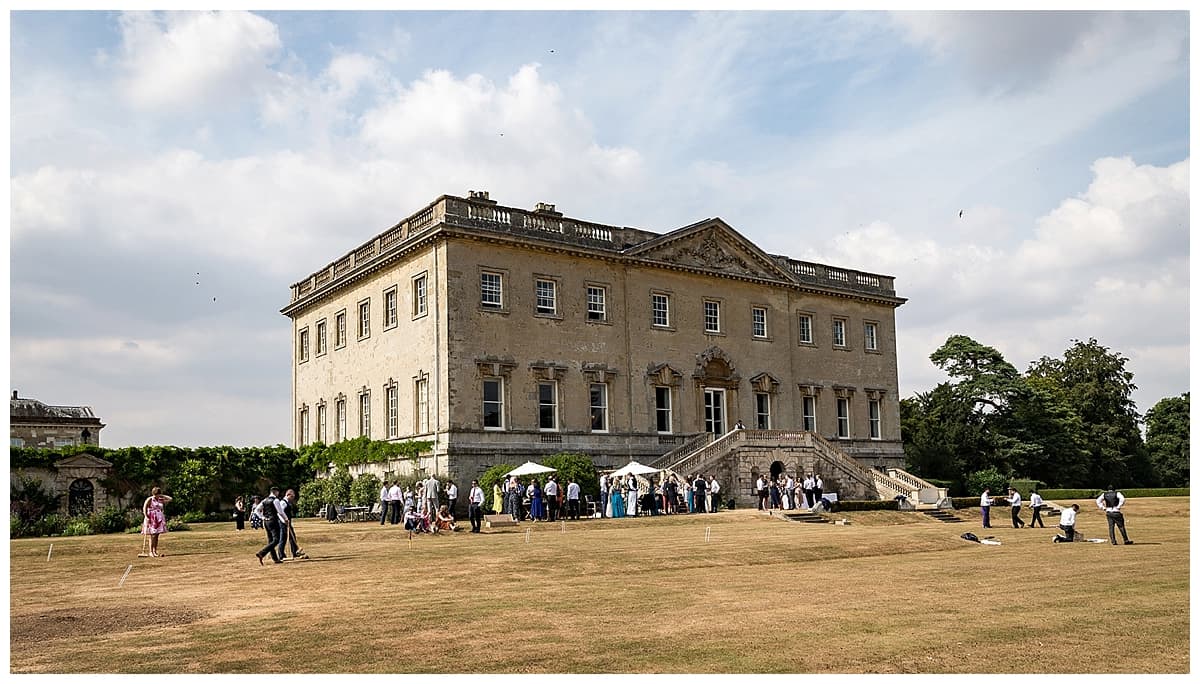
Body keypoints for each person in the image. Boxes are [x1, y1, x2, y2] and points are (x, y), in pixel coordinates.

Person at [140, 487, 172, 558]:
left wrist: (162, 495)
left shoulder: (160, 499)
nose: (157, 496)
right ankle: (151, 552)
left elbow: (170, 499)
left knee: (157, 535)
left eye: (158, 494)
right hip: (151, 518)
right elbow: (144, 508)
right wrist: (146, 516)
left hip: (159, 518)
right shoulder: (150, 499)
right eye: (156, 494)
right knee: (153, 535)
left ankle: (155, 551)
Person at [255, 487, 284, 565]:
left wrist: (262, 517)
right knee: (276, 539)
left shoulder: (264, 500)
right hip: (273, 521)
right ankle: (262, 553)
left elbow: (256, 510)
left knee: (270, 540)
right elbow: (280, 512)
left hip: (266, 522)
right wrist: (286, 519)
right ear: (276, 492)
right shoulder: (276, 500)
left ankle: (275, 558)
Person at [281, 489, 307, 559]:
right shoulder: (283, 503)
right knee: (283, 539)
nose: (292, 499)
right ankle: (281, 555)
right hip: (283, 523)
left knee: (292, 537)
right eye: (292, 497)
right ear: (288, 495)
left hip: (288, 522)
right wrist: (284, 521)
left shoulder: (288, 502)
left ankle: (295, 552)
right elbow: (280, 513)